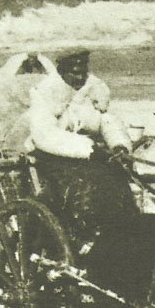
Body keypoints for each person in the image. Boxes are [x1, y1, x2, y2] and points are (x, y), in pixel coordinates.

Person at [26, 49, 137, 248]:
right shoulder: (44, 93)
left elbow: (107, 121)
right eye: (73, 72)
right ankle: (84, 238)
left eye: (82, 72)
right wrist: (89, 149)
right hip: (55, 157)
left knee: (117, 176)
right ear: (61, 71)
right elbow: (44, 134)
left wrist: (119, 146)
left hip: (93, 157)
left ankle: (120, 234)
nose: (78, 77)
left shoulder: (93, 90)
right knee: (90, 183)